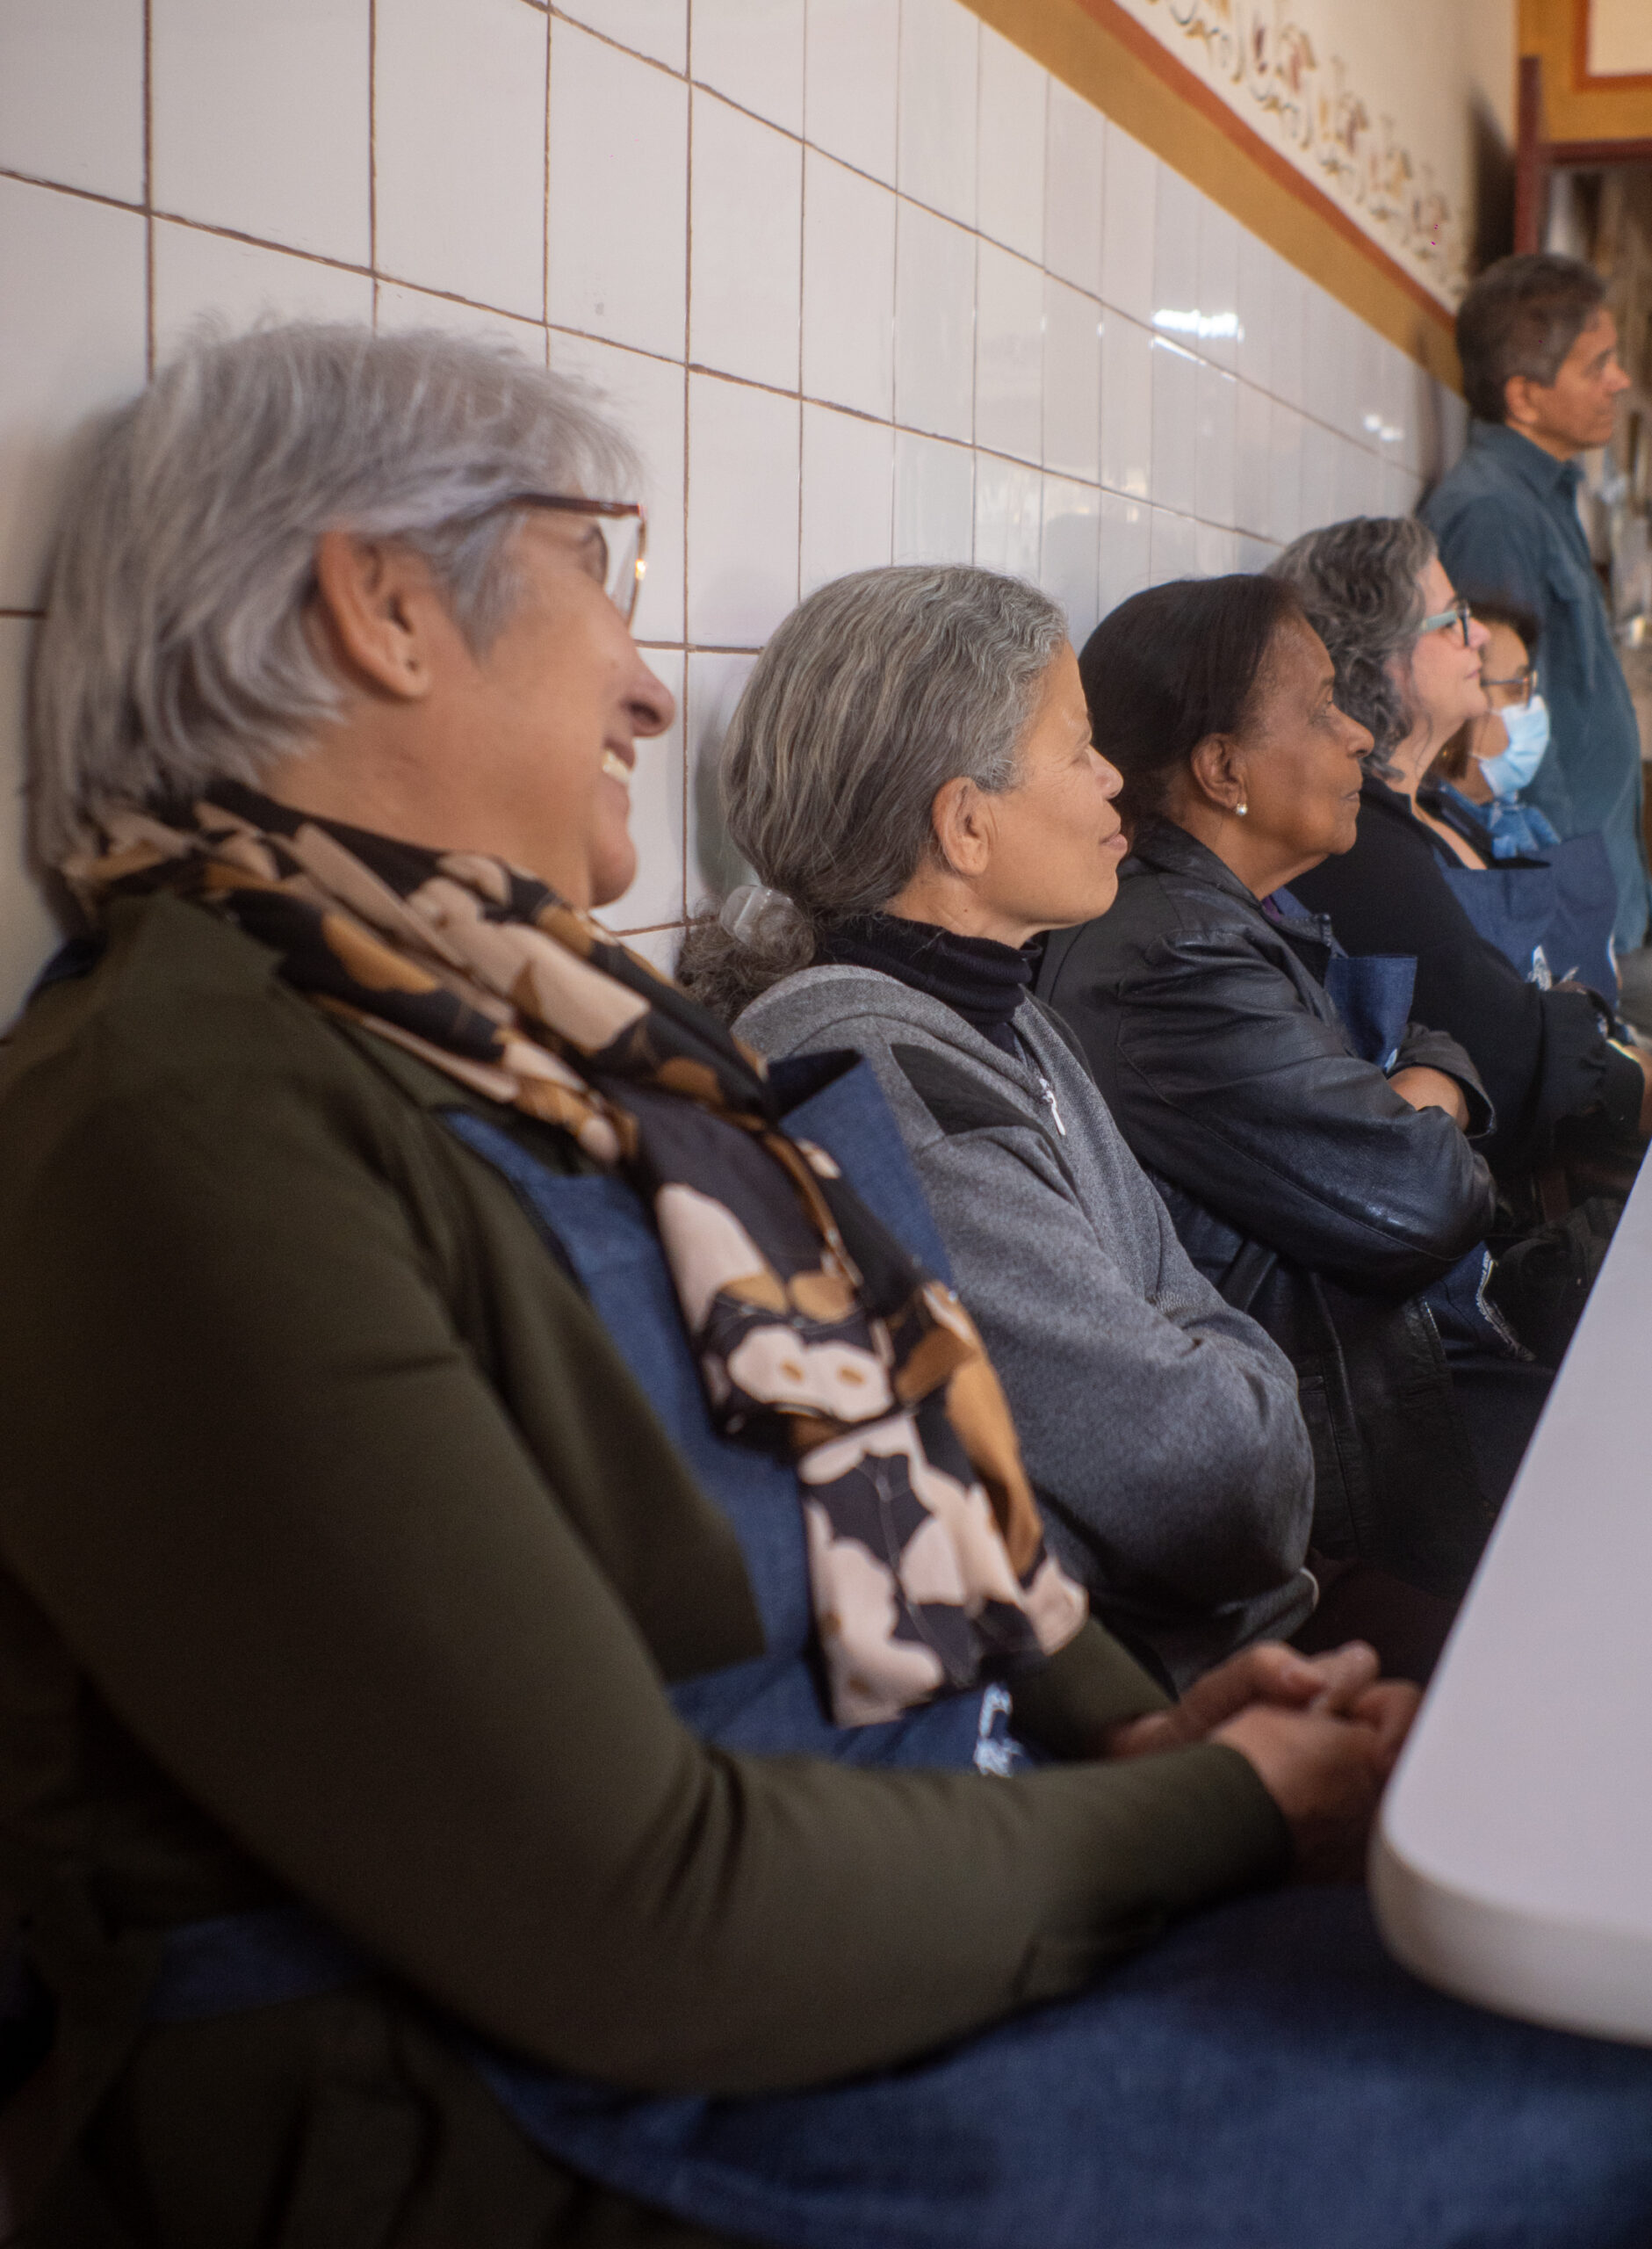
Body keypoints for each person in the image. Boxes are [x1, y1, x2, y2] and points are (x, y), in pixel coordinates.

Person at [3, 323, 1651, 2247]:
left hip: (880, 1896)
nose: (645, 685)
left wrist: (1143, 1731)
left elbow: (913, 1471)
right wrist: (1220, 1807)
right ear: (382, 608)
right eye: (594, 570)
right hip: (528, 2114)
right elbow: (637, 1914)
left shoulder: (531, 1030)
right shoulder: (175, 1113)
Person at [677, 565, 1317, 1689]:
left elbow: (1174, 1306)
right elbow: (1213, 1484)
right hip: (1137, 1695)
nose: (1113, 777)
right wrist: (1236, 1375)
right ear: (965, 825)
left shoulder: (1005, 1018)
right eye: (1078, 748)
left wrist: (1199, 1353)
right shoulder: (876, 1078)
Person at [1035, 573, 1552, 1614]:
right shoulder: (1168, 956)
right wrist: (1419, 1102)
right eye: (1320, 709)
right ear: (1223, 766)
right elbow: (1423, 1200)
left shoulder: (1237, 911)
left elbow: (1429, 1041)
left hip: (1408, 1366)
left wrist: (1411, 1091)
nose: (1360, 734)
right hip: (1365, 1453)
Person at [1279, 518, 1649, 1201]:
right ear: (1381, 655)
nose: (1477, 634)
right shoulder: (1356, 843)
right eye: (1453, 621)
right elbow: (1505, 1045)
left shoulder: (1440, 810)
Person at [1418, 251, 1648, 956]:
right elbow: (1491, 727)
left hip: (1600, 893)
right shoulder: (1492, 512)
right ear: (1523, 396)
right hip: (1567, 909)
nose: (1620, 381)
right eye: (1597, 365)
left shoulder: (1544, 497)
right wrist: (1568, 913)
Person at [1425, 597, 1619, 999]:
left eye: (1531, 687)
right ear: (1458, 694)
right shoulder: (1427, 840)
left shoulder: (1519, 820)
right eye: (1516, 690)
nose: (1534, 707)